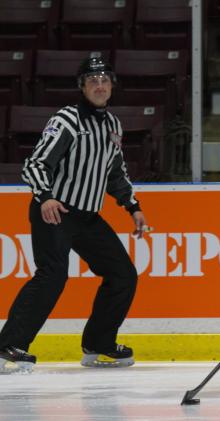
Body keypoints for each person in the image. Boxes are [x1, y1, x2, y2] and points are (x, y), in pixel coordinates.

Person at [0, 56, 149, 373]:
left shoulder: (113, 126)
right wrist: (45, 197)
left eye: (104, 79)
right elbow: (36, 164)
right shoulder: (67, 119)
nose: (99, 85)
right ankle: (8, 346)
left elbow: (115, 174)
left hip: (87, 218)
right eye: (92, 80)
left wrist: (132, 207)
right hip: (55, 211)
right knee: (52, 275)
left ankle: (98, 343)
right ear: (82, 86)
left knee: (122, 275)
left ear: (112, 86)